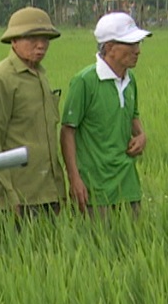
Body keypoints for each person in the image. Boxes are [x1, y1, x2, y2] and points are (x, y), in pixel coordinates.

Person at [0, 7, 67, 222]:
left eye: (45, 39)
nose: (41, 45)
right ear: (14, 41)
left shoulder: (41, 76)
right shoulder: (0, 78)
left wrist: (60, 189)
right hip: (19, 196)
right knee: (15, 254)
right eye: (32, 38)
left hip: (49, 192)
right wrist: (7, 195)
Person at [60, 12, 150, 219]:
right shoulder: (85, 81)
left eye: (139, 44)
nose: (138, 51)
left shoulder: (130, 80)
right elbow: (68, 131)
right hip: (94, 189)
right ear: (109, 47)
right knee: (96, 247)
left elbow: (133, 115)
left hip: (128, 185)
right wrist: (74, 178)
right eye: (131, 44)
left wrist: (141, 135)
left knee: (134, 246)